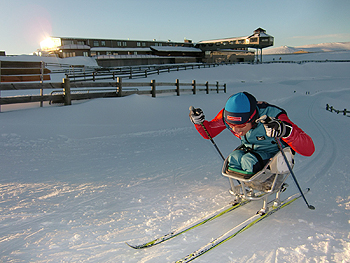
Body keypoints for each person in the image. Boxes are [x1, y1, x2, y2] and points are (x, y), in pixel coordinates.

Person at [189, 92, 315, 175]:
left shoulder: (274, 116)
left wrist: (285, 131)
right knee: (234, 158)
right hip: (250, 150)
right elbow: (209, 133)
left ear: (253, 119)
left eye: (241, 126)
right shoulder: (227, 116)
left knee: (249, 161)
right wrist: (199, 123)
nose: (236, 130)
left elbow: (309, 149)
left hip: (275, 154)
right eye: (231, 126)